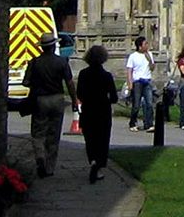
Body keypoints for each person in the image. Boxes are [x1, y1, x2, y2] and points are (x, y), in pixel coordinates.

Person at [21, 33, 76, 176]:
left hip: (40, 100)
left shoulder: (34, 62)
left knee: (38, 133)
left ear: (42, 48)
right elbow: (69, 83)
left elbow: (25, 82)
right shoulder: (62, 62)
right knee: (53, 133)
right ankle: (50, 167)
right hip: (57, 99)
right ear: (53, 46)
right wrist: (74, 100)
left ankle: (40, 155)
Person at [75, 45, 118, 184]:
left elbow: (79, 94)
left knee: (90, 139)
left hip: (88, 110)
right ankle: (99, 166)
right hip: (103, 111)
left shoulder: (83, 74)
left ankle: (92, 160)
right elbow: (114, 97)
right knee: (102, 139)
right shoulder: (106, 76)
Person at [124, 36, 155, 130]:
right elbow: (129, 70)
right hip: (137, 82)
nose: (147, 46)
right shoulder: (133, 56)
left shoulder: (149, 54)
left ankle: (149, 124)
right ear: (140, 46)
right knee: (136, 105)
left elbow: (152, 68)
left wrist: (149, 59)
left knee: (149, 104)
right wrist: (130, 83)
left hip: (147, 81)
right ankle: (133, 123)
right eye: (145, 44)